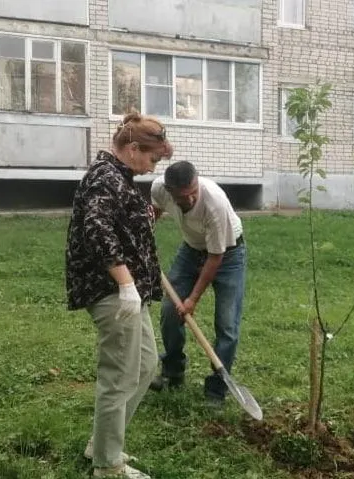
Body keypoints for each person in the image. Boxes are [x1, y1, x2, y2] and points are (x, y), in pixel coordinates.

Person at [65, 111, 173, 478]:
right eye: (151, 158)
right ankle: (107, 466)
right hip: (112, 292)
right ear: (131, 148)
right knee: (120, 375)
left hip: (131, 292)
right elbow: (97, 229)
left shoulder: (120, 178)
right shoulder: (104, 178)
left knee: (144, 366)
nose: (150, 166)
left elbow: (122, 225)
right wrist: (126, 283)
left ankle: (103, 441)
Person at [147, 160, 246, 408]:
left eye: (193, 193)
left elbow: (215, 258)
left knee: (226, 324)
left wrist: (192, 299)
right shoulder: (159, 189)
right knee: (170, 310)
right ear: (170, 191)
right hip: (191, 250)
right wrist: (142, 236)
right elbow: (155, 212)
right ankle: (173, 371)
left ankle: (217, 389)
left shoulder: (214, 203)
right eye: (183, 196)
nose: (190, 200)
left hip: (228, 255)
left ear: (197, 182)